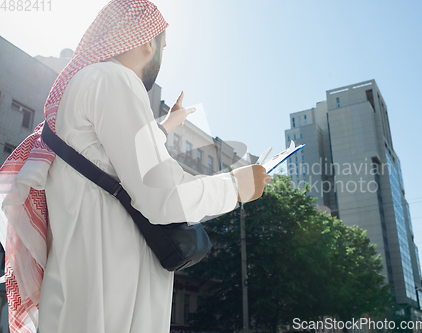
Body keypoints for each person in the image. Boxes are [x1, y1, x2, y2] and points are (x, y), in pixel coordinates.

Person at [0, 1, 270, 332]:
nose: (162, 58)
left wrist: (168, 125)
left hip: (77, 300)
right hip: (112, 306)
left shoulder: (83, 87)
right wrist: (236, 186)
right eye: (163, 47)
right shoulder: (114, 79)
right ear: (147, 42)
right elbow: (162, 196)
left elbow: (109, 154)